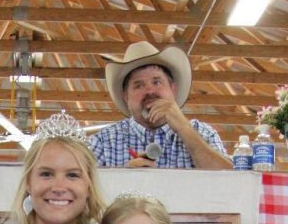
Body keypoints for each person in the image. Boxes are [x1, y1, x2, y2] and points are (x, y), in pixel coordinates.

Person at [92, 41, 228, 170]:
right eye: (139, 85)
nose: (150, 91)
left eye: (157, 82)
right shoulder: (103, 141)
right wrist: (124, 176)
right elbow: (84, 184)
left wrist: (184, 129)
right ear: (126, 97)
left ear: (173, 90)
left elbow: (230, 180)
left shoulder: (202, 132)